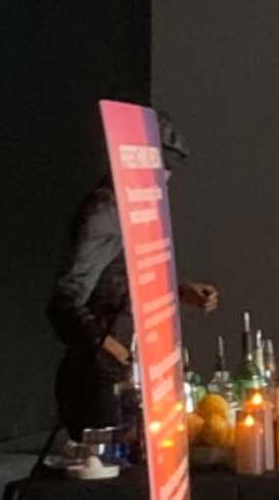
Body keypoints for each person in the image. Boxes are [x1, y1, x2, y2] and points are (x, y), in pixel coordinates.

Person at [45, 117, 216, 436]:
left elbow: (119, 283)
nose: (166, 179)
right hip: (99, 384)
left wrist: (177, 292)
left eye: (169, 171)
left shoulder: (135, 208)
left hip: (127, 377)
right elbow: (63, 304)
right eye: (161, 168)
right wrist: (112, 347)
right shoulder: (105, 212)